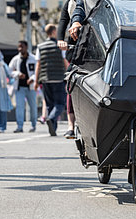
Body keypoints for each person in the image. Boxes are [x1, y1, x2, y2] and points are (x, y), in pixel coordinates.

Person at [34, 24, 68, 136]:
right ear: (53, 32)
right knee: (60, 104)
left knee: (49, 104)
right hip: (58, 78)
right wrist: (70, 74)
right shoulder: (60, 45)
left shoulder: (40, 47)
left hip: (45, 79)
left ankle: (53, 128)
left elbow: (38, 65)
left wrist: (36, 81)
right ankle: (51, 118)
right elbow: (65, 62)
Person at [57, 0, 77, 139]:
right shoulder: (71, 3)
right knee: (71, 84)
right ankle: (71, 125)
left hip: (97, 45)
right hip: (75, 46)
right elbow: (63, 20)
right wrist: (60, 40)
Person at [9, 41, 37, 133]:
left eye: (22, 47)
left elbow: (38, 71)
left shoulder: (33, 58)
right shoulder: (15, 59)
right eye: (19, 47)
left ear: (26, 47)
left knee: (33, 107)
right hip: (19, 87)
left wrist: (32, 78)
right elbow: (10, 71)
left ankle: (33, 125)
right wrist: (17, 74)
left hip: (31, 88)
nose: (20, 49)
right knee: (19, 107)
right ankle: (19, 126)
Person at [0, 50, 14, 133]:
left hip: (2, 90)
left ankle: (2, 127)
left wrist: (11, 82)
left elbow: (10, 76)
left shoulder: (3, 66)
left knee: (2, 109)